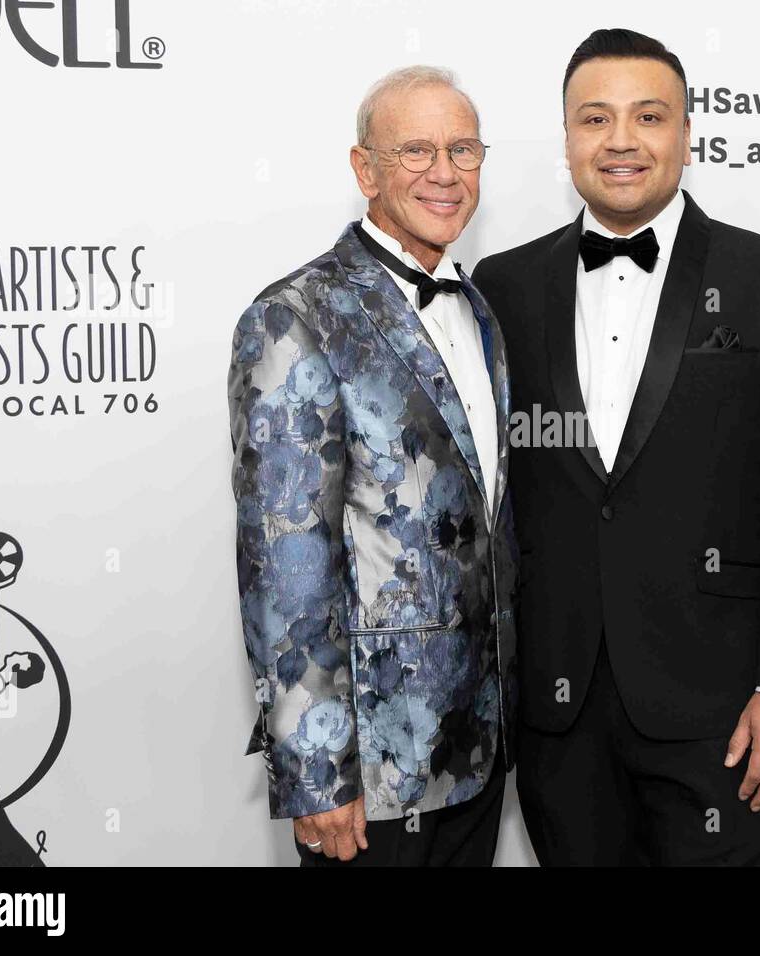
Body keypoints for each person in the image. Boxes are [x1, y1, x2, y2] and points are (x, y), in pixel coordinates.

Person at [472, 28, 760, 866]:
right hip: (556, 707)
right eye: (594, 118)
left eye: (649, 116)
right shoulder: (502, 285)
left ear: (687, 132)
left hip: (721, 712)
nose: (621, 141)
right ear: (566, 137)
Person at [227, 65, 517, 866]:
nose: (445, 172)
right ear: (365, 170)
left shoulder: (480, 310)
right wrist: (317, 774)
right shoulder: (294, 317)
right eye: (416, 150)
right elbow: (283, 558)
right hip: (373, 773)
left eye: (464, 150)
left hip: (480, 751)